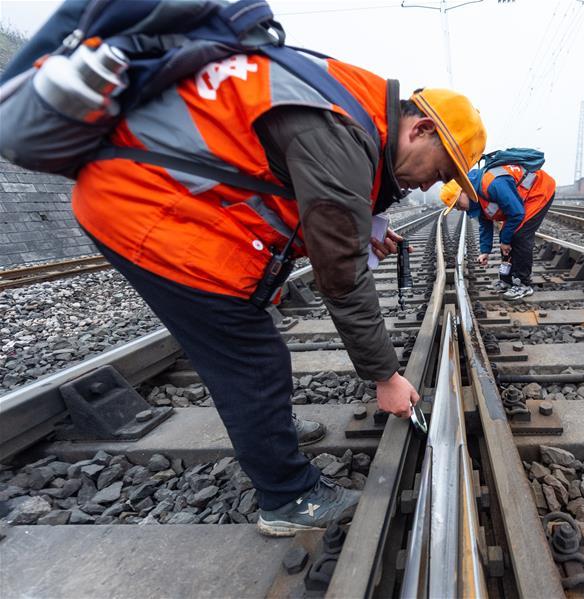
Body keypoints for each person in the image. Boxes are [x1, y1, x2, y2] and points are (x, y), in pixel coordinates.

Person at [70, 48, 486, 536]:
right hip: (152, 213)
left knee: (257, 343)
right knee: (251, 359)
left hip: (168, 200)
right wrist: (385, 374)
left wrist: (357, 229)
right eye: (439, 170)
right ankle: (288, 496)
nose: (428, 185)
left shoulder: (353, 107)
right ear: (421, 130)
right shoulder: (343, 135)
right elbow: (342, 275)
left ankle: (275, 437)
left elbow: (284, 186)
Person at [441, 161, 555, 300]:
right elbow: (485, 223)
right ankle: (507, 281)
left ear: (464, 191)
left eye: (457, 204)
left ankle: (523, 284)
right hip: (520, 201)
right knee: (506, 234)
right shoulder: (476, 197)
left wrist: (506, 241)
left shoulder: (492, 184)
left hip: (539, 191)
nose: (458, 209)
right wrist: (485, 251)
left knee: (519, 235)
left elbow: (517, 213)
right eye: (455, 207)